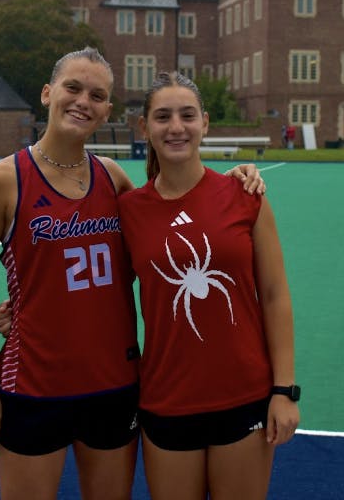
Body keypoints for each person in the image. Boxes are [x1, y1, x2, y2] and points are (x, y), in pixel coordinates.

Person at [0, 47, 264, 500]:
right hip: (33, 384)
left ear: (106, 110)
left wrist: (237, 177)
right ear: (48, 93)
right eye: (73, 88)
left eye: (97, 94)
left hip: (114, 387)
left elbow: (172, 215)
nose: (83, 100)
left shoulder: (114, 180)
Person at [117, 71, 299, 499]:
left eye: (187, 115)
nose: (176, 127)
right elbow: (99, 294)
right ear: (144, 127)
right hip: (166, 399)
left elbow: (274, 297)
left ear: (205, 122)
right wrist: (24, 309)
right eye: (162, 117)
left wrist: (284, 390)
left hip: (244, 396)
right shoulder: (128, 211)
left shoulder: (245, 195)